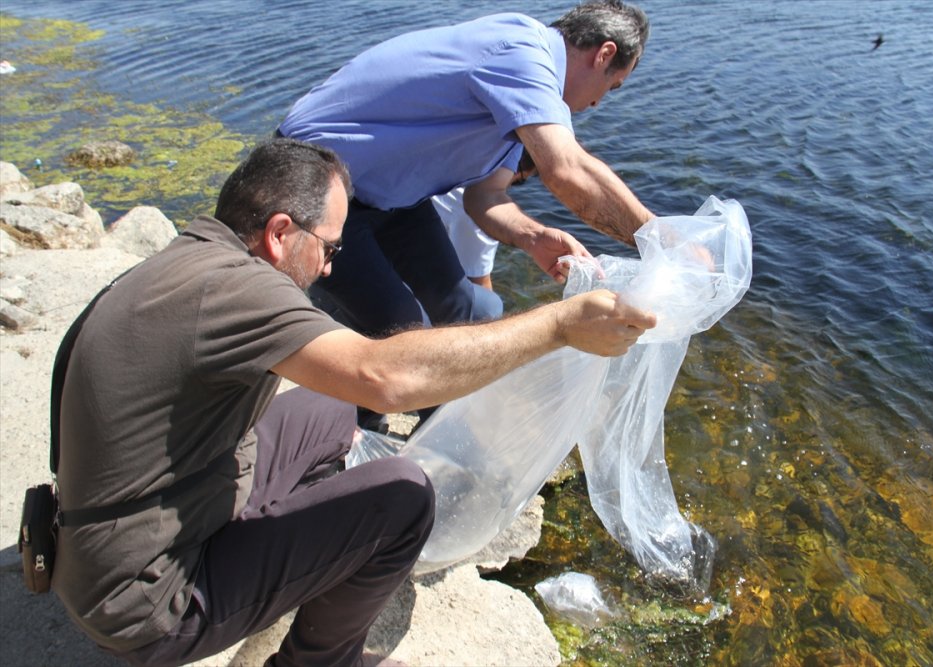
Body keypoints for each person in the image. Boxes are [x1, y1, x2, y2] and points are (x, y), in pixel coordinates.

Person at [51, 138, 656, 667]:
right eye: (331, 247)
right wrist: (560, 326)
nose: (330, 264)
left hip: (118, 539)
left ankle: (302, 555)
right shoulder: (242, 290)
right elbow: (384, 378)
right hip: (151, 603)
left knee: (331, 410)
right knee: (403, 496)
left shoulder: (191, 258)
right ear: (280, 232)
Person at [278, 0, 656, 340]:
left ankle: (437, 413)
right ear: (604, 55)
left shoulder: (529, 98)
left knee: (465, 310)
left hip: (392, 198)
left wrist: (533, 237)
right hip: (312, 181)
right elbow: (568, 169)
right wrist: (658, 240)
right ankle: (365, 413)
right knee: (407, 331)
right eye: (613, 87)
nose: (595, 104)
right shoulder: (522, 52)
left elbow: (485, 196)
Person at [433, 151, 538, 293]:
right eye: (520, 180)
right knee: (489, 307)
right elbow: (480, 284)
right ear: (513, 167)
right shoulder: (483, 216)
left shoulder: (441, 160)